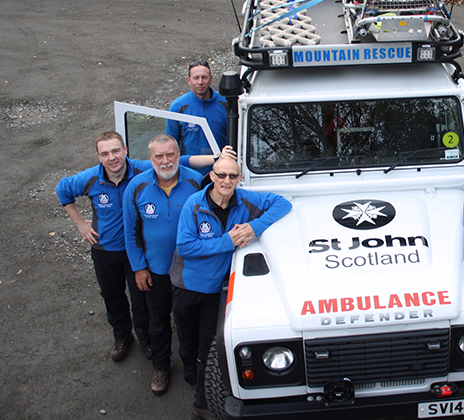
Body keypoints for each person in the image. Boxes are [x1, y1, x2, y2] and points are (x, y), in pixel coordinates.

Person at [56, 131, 232, 363]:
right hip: (116, 252)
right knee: (122, 301)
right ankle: (133, 344)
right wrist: (80, 224)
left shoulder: (183, 179)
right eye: (105, 153)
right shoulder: (115, 182)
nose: (112, 158)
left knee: (157, 308)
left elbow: (188, 165)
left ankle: (167, 352)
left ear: (126, 150)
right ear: (98, 156)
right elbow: (64, 191)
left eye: (116, 151)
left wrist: (218, 158)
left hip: (170, 262)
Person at [172, 157, 291, 419]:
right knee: (186, 339)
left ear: (239, 179)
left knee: (208, 346)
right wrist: (227, 242)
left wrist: (253, 227)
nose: (227, 181)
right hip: (188, 286)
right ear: (212, 176)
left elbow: (282, 203)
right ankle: (190, 374)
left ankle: (201, 402)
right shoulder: (194, 205)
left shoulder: (244, 199)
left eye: (233, 176)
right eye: (222, 175)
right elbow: (186, 247)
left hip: (217, 290)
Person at [123, 134, 235, 395]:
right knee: (159, 320)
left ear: (179, 153)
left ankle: (198, 370)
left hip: (191, 272)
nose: (165, 161)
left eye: (170, 154)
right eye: (158, 156)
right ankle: (161, 367)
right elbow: (130, 232)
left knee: (192, 323)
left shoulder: (196, 181)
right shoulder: (136, 187)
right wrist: (139, 267)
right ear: (149, 159)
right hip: (157, 271)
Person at [166, 60, 227, 175]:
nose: (200, 82)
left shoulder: (226, 103)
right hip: (190, 172)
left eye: (204, 77)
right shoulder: (178, 107)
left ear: (211, 79)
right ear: (189, 80)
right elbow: (170, 144)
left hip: (222, 172)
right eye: (196, 78)